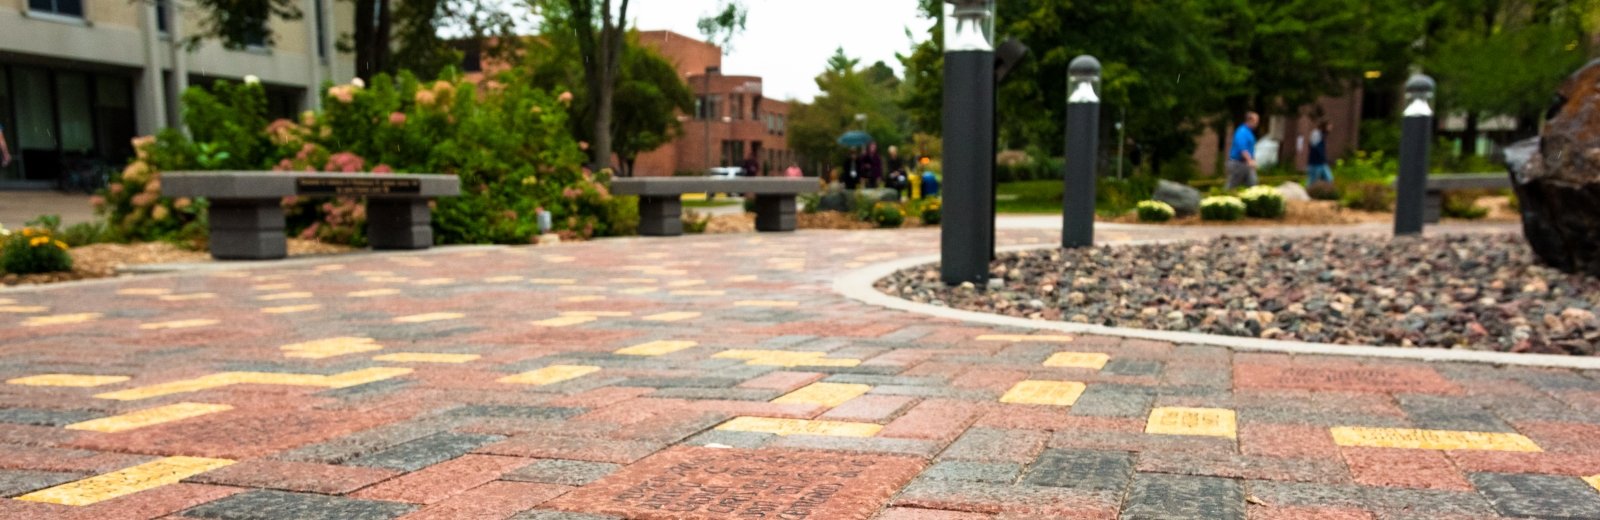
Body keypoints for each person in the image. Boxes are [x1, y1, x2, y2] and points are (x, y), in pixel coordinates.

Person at [1226, 112, 1260, 190]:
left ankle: (1253, 199)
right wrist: (1250, 161)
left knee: (1253, 183)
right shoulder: (1242, 131)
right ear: (1250, 120)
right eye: (1256, 121)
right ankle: (1224, 199)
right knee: (1232, 185)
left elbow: (1250, 149)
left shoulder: (1248, 132)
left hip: (1246, 164)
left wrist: (1252, 160)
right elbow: (1243, 148)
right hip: (1238, 163)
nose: (1257, 124)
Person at [1306, 121, 1333, 187]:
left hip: (1321, 162)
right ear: (1324, 126)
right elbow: (1315, 147)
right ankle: (1307, 193)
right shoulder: (1316, 134)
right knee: (1312, 181)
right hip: (1315, 163)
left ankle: (1326, 192)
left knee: (1329, 179)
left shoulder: (1322, 135)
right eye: (1329, 126)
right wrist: (1322, 156)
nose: (1330, 128)